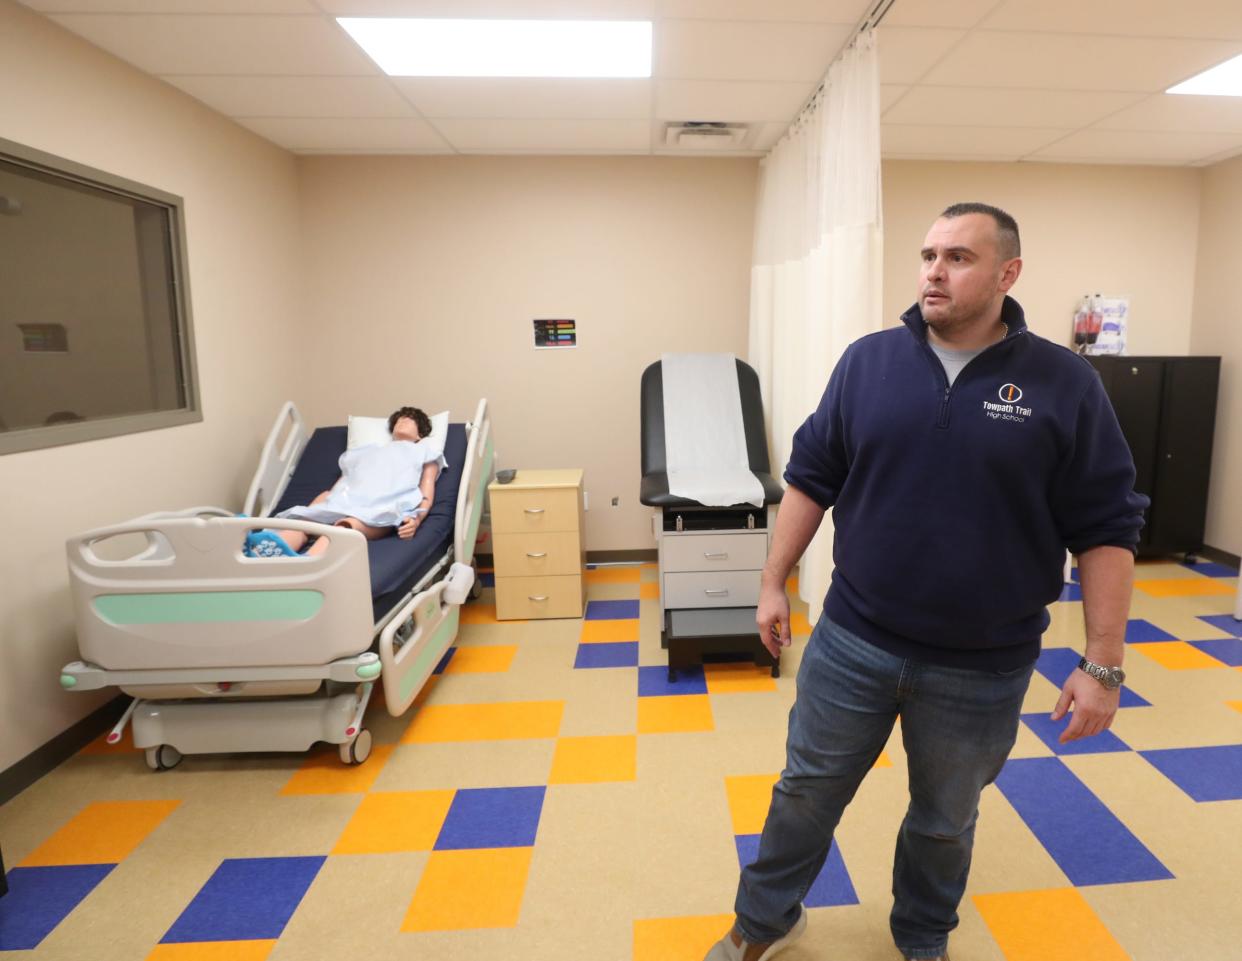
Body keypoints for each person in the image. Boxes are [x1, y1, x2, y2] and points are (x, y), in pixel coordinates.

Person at [705, 203, 1147, 961]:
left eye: (959, 257)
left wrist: (1102, 661)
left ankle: (920, 936)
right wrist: (773, 580)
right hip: (854, 639)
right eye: (928, 253)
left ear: (1008, 274)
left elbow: (1108, 527)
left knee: (945, 817)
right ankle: (764, 920)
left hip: (984, 662)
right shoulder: (869, 361)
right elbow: (812, 476)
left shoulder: (1064, 383)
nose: (934, 271)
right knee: (804, 792)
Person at [246, 406, 442, 558]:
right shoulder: (366, 452)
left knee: (345, 526)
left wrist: (415, 520)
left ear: (420, 434)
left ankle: (307, 562)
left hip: (381, 508)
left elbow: (426, 494)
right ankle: (265, 554)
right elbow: (346, 480)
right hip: (345, 500)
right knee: (304, 522)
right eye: (400, 418)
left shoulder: (425, 452)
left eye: (410, 419)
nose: (403, 420)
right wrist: (326, 499)